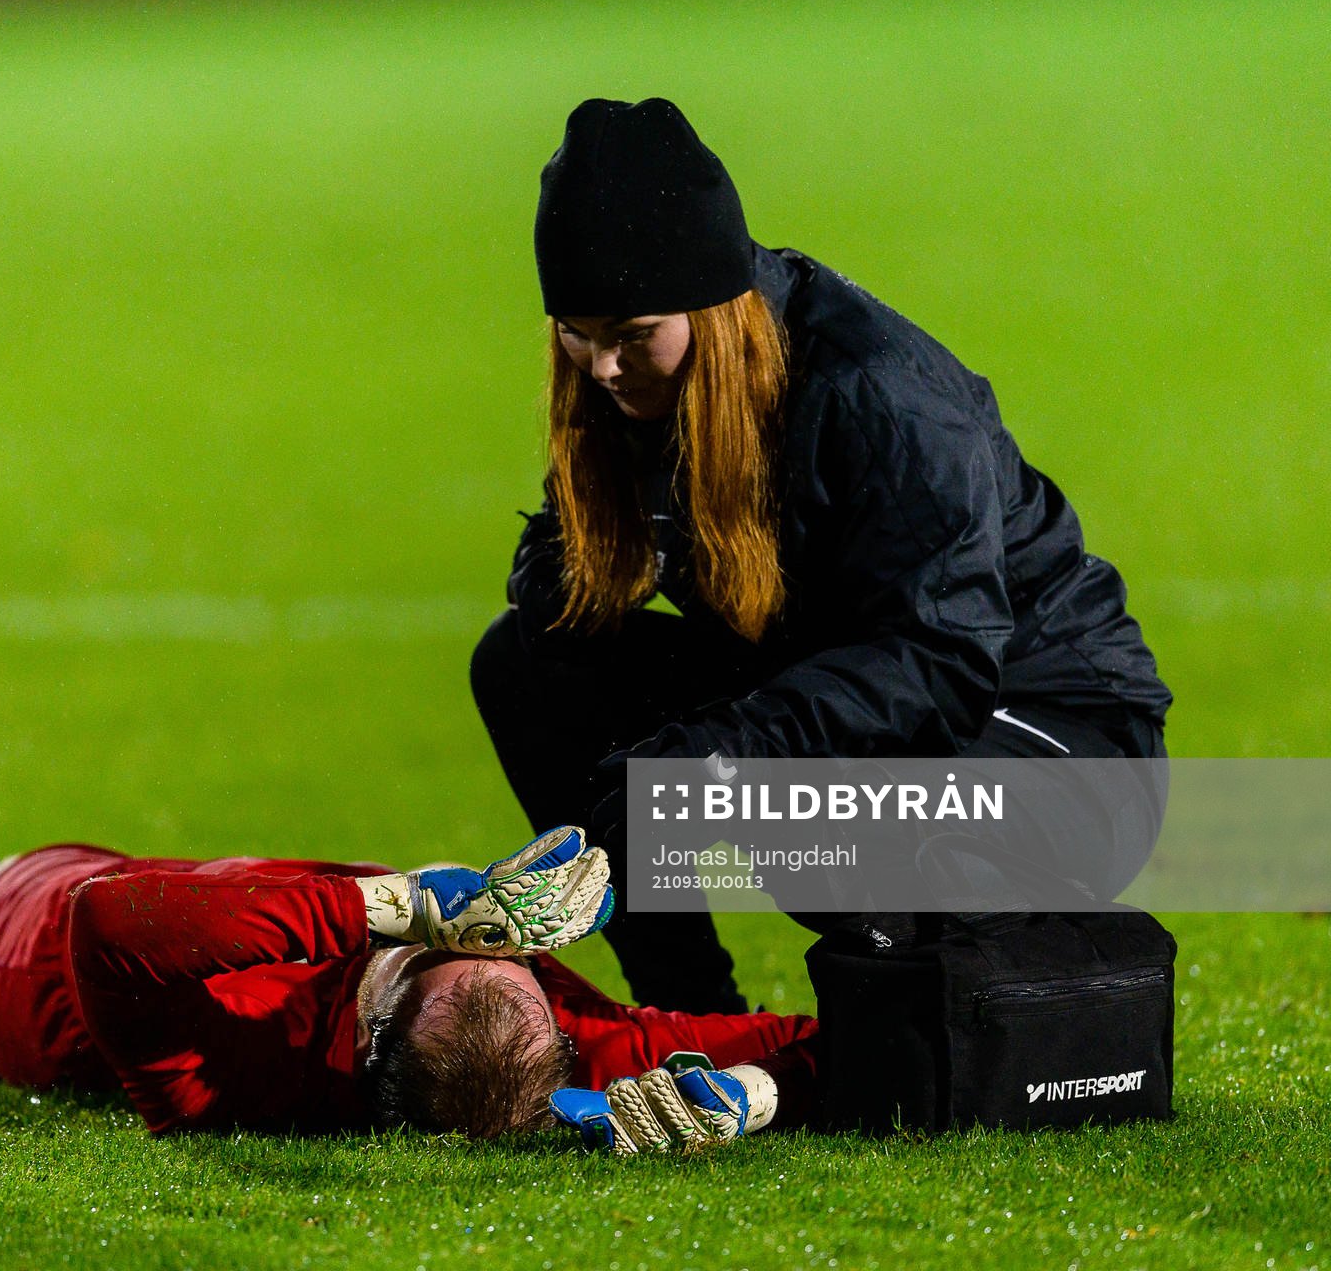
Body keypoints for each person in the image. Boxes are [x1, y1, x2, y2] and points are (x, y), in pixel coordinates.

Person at [470, 98, 1173, 1016]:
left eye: (631, 334)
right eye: (577, 332)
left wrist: (718, 757)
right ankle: (688, 1018)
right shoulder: (635, 391)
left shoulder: (879, 393)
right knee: (528, 668)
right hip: (846, 700)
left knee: (814, 834)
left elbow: (939, 661)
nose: (601, 367)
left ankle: (983, 988)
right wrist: (576, 573)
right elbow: (560, 586)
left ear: (710, 309)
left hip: (1057, 739)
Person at [0, 801, 821, 1141]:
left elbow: (108, 921)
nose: (501, 938)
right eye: (516, 959)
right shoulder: (559, 1050)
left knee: (13, 907)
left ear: (378, 1012)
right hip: (128, 939)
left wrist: (403, 903)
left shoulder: (244, 1048)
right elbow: (863, 1046)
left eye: (465, 947)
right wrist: (762, 1090)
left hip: (35, 960)